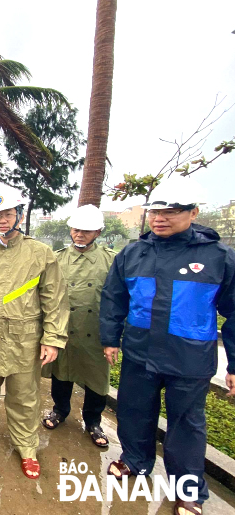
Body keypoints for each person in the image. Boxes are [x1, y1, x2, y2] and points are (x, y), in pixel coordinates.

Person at [101, 180, 235, 515]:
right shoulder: (133, 253)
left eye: (171, 211)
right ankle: (134, 460)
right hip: (139, 352)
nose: (161, 218)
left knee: (187, 424)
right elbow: (114, 300)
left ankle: (188, 490)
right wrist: (109, 338)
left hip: (189, 358)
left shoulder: (218, 256)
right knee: (133, 411)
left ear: (193, 212)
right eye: (156, 211)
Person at [0, 189, 69, 479]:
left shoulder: (40, 253)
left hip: (25, 338)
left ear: (19, 216)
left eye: (7, 214)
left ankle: (27, 447)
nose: (2, 221)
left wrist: (53, 339)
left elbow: (54, 298)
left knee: (24, 396)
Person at [42, 205, 116, 448]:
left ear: (98, 232)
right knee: (61, 373)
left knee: (96, 379)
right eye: (76, 229)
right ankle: (60, 410)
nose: (80, 234)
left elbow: (118, 299)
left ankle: (93, 420)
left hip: (94, 332)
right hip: (63, 329)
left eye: (86, 230)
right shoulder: (57, 258)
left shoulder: (111, 260)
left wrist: (113, 338)